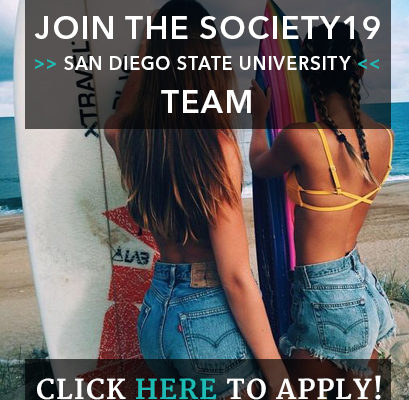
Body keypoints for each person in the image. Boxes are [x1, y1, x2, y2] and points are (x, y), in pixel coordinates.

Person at [105, 1, 287, 397]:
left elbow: (115, 120)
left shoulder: (133, 140)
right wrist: (278, 378)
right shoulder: (216, 147)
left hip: (155, 316)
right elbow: (235, 276)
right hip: (206, 322)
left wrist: (150, 47)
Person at [250, 22, 396, 394]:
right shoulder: (385, 136)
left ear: (308, 74)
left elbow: (260, 166)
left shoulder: (301, 137)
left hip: (325, 296)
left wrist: (258, 118)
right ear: (359, 70)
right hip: (364, 287)